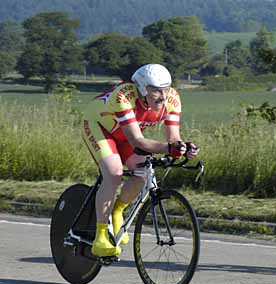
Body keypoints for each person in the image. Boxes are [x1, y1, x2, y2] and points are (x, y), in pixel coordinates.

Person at [82, 63, 199, 257]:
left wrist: (184, 148)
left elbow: (173, 139)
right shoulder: (123, 96)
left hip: (126, 135)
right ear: (143, 89)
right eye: (156, 91)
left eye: (166, 89)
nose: (163, 96)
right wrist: (169, 148)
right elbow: (137, 140)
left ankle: (117, 210)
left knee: (144, 173)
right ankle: (100, 237)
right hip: (100, 128)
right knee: (114, 173)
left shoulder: (172, 99)